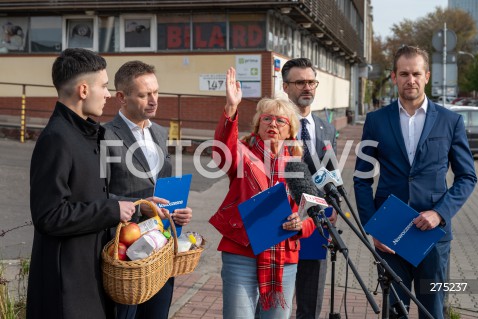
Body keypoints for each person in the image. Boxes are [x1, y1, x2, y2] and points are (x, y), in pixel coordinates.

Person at [353, 45, 477, 318]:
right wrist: (373, 226)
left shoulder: (450, 121)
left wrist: (440, 213)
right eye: (404, 73)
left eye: (416, 74)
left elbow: (467, 176)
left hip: (432, 235)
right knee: (394, 310)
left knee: (432, 310)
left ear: (427, 76)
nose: (411, 79)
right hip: (389, 234)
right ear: (394, 76)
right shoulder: (376, 120)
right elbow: (361, 178)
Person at [27, 48, 138, 319]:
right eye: (104, 86)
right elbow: (49, 216)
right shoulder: (56, 139)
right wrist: (113, 210)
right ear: (84, 90)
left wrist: (137, 207)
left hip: (92, 279)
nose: (109, 94)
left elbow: (95, 196)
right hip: (66, 290)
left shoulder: (93, 134)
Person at [209, 67, 317, 319]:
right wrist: (231, 109)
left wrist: (301, 224)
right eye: (267, 119)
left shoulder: (296, 164)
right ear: (258, 124)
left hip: (284, 254)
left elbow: (313, 214)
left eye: (281, 120)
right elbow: (222, 150)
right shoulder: (242, 155)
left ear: (290, 130)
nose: (273, 124)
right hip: (242, 252)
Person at [103, 60, 192, 319]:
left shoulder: (161, 134)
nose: (153, 100)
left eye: (156, 92)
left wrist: (178, 211)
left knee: (158, 313)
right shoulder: (104, 135)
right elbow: (98, 194)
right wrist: (139, 204)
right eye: (144, 95)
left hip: (162, 245)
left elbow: (164, 186)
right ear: (121, 97)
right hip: (125, 250)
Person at [281, 57, 337, 319]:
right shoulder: (273, 126)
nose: (307, 87)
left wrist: (333, 202)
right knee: (276, 302)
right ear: (285, 87)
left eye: (311, 82)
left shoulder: (326, 128)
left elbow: (330, 172)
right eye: (299, 82)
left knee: (311, 300)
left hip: (317, 221)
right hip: (284, 222)